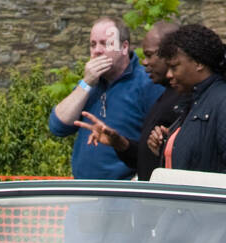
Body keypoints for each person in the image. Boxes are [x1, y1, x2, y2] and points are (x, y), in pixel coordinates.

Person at [77, 23, 226, 177]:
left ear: (199, 63)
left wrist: (194, 209)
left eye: (175, 67)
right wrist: (162, 148)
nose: (169, 74)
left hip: (201, 215)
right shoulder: (192, 103)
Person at [48, 16, 162, 180]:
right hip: (83, 191)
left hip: (123, 193)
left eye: (105, 43)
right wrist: (86, 83)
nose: (97, 51)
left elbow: (158, 144)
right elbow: (58, 126)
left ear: (124, 47)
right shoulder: (90, 84)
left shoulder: (147, 83)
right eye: (93, 44)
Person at [74, 21, 185, 181]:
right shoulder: (167, 96)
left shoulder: (174, 96)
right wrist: (120, 142)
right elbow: (58, 126)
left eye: (149, 55)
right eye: (92, 44)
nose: (145, 62)